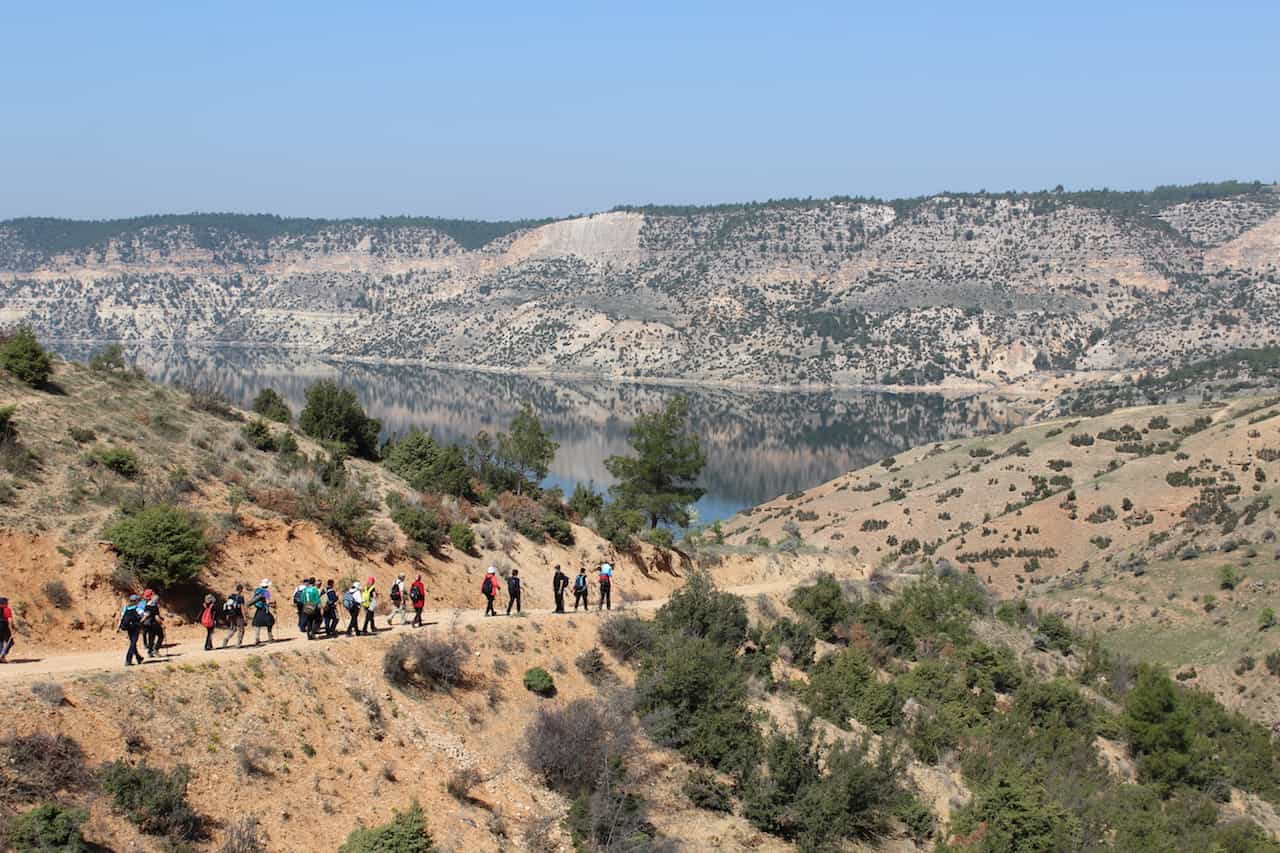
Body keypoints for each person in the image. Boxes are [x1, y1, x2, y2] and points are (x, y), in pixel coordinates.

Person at [120, 593, 144, 666]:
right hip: (135, 627)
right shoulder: (137, 608)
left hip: (128, 627)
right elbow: (143, 616)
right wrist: (141, 623)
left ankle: (138, 657)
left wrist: (119, 626)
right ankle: (128, 660)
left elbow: (122, 617)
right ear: (136, 600)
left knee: (133, 643)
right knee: (133, 643)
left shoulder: (125, 608)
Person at [221, 584, 247, 648]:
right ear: (241, 590)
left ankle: (225, 640)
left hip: (231, 615)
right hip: (239, 615)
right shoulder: (240, 597)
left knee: (233, 629)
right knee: (241, 629)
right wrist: (245, 617)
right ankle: (238, 643)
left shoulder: (231, 596)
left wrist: (227, 615)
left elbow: (228, 606)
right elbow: (242, 608)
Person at [251, 579, 275, 645]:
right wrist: (272, 604)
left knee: (257, 624)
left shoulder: (257, 591)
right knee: (270, 622)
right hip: (264, 609)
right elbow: (267, 602)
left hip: (258, 610)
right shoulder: (266, 592)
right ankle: (270, 637)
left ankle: (257, 638)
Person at [141, 590, 164, 657]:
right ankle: (156, 650)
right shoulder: (154, 606)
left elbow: (146, 615)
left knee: (151, 638)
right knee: (161, 636)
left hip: (148, 625)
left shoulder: (147, 606)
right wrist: (161, 623)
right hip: (155, 624)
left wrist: (141, 622)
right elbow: (156, 617)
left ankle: (149, 652)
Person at [0, 595, 15, 663]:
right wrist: (12, 630)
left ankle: (1, 657)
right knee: (10, 641)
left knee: (0, 642)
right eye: (7, 602)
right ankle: (2, 656)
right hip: (3, 626)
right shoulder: (7, 609)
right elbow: (10, 620)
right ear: (4, 603)